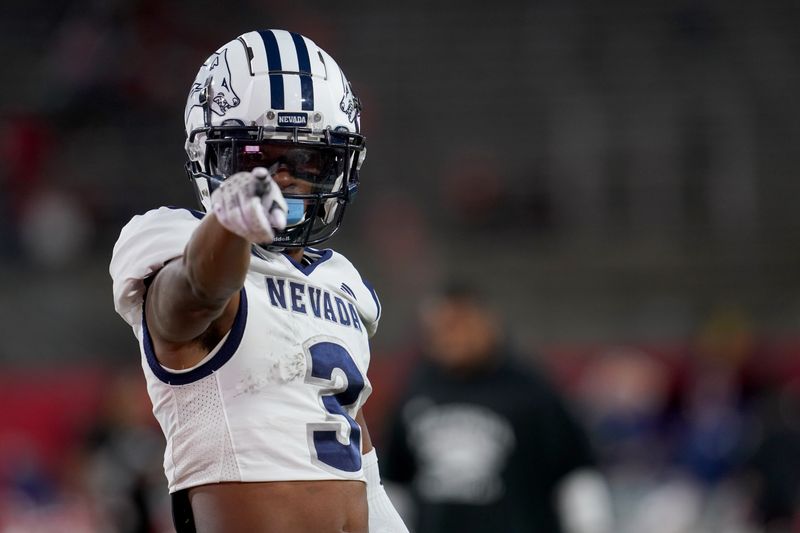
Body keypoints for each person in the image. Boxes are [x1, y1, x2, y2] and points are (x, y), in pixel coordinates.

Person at [110, 29, 408, 533]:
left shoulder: (343, 283)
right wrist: (230, 225)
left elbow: (359, 460)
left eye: (308, 159)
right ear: (215, 158)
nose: (285, 177)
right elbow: (191, 296)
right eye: (260, 157)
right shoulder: (177, 244)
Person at [380, 283, 613, 533]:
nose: (450, 337)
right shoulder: (417, 388)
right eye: (440, 328)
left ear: (488, 323)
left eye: (460, 325)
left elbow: (575, 473)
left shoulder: (529, 390)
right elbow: (396, 480)